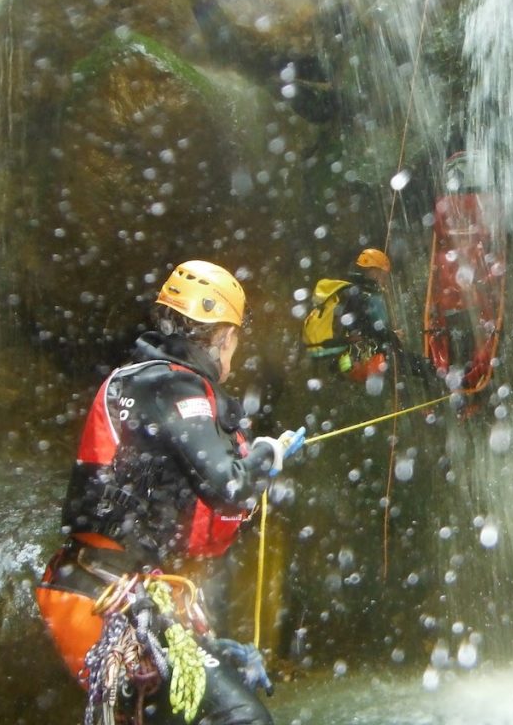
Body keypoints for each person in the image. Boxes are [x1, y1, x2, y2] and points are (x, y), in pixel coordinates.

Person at [36, 259, 305, 725]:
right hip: (107, 597)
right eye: (234, 341)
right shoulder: (174, 384)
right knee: (242, 719)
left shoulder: (140, 378)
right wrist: (266, 454)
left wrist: (206, 647)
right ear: (224, 336)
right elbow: (229, 486)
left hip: (98, 585)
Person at [302, 248, 432, 382]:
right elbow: (368, 328)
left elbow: (361, 327)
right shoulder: (361, 295)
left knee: (403, 363)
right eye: (383, 275)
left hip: (337, 358)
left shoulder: (350, 291)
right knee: (411, 364)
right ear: (374, 272)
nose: (384, 280)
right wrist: (391, 337)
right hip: (351, 361)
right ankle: (433, 372)